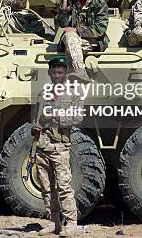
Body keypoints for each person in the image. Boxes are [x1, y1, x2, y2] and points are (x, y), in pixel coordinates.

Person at [31, 56, 83, 237]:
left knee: (63, 186)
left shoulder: (74, 94)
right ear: (49, 73)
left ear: (66, 73)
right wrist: (35, 126)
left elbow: (77, 118)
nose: (57, 75)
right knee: (46, 186)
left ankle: (71, 223)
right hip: (42, 145)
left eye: (60, 71)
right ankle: (54, 222)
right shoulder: (43, 93)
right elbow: (36, 117)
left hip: (60, 146)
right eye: (54, 71)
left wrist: (56, 116)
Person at [55, 0, 109, 81]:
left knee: (70, 36)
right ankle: (80, 72)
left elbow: (100, 29)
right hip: (72, 42)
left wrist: (77, 30)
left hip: (93, 42)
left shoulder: (99, 3)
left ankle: (79, 72)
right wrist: (64, 4)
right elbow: (62, 24)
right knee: (69, 36)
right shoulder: (72, 0)